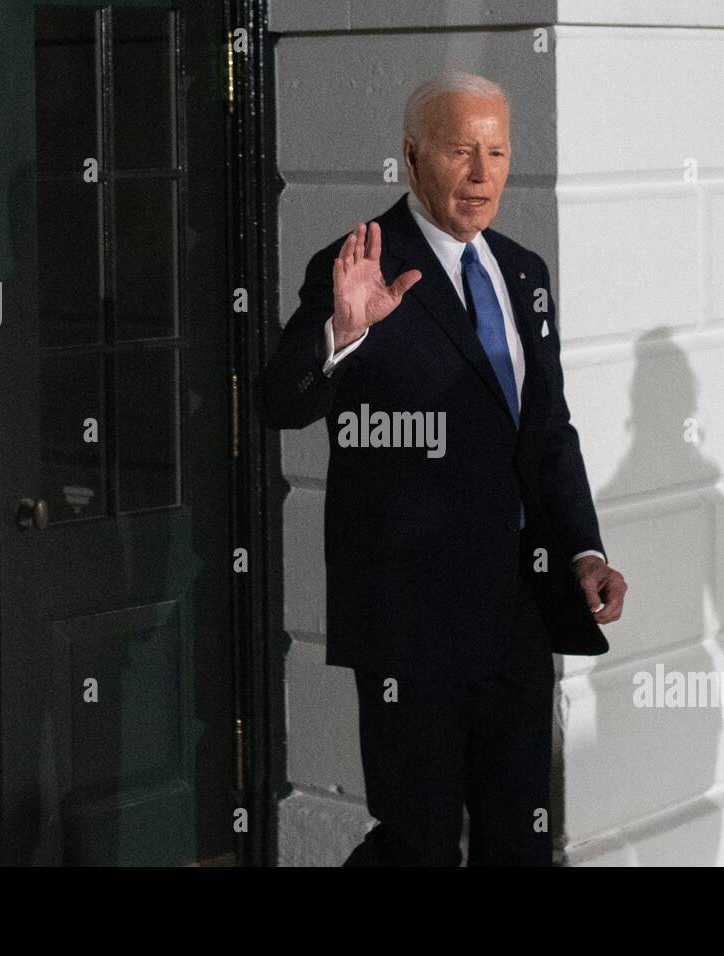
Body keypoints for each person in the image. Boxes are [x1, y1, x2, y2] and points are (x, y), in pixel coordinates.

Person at [260, 70, 627, 866]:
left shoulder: (522, 271)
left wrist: (584, 550)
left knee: (518, 835)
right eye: (461, 151)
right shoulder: (359, 264)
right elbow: (279, 402)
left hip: (519, 611)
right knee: (419, 845)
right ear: (411, 156)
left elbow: (548, 431)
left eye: (497, 152)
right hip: (409, 620)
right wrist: (342, 333)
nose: (482, 174)